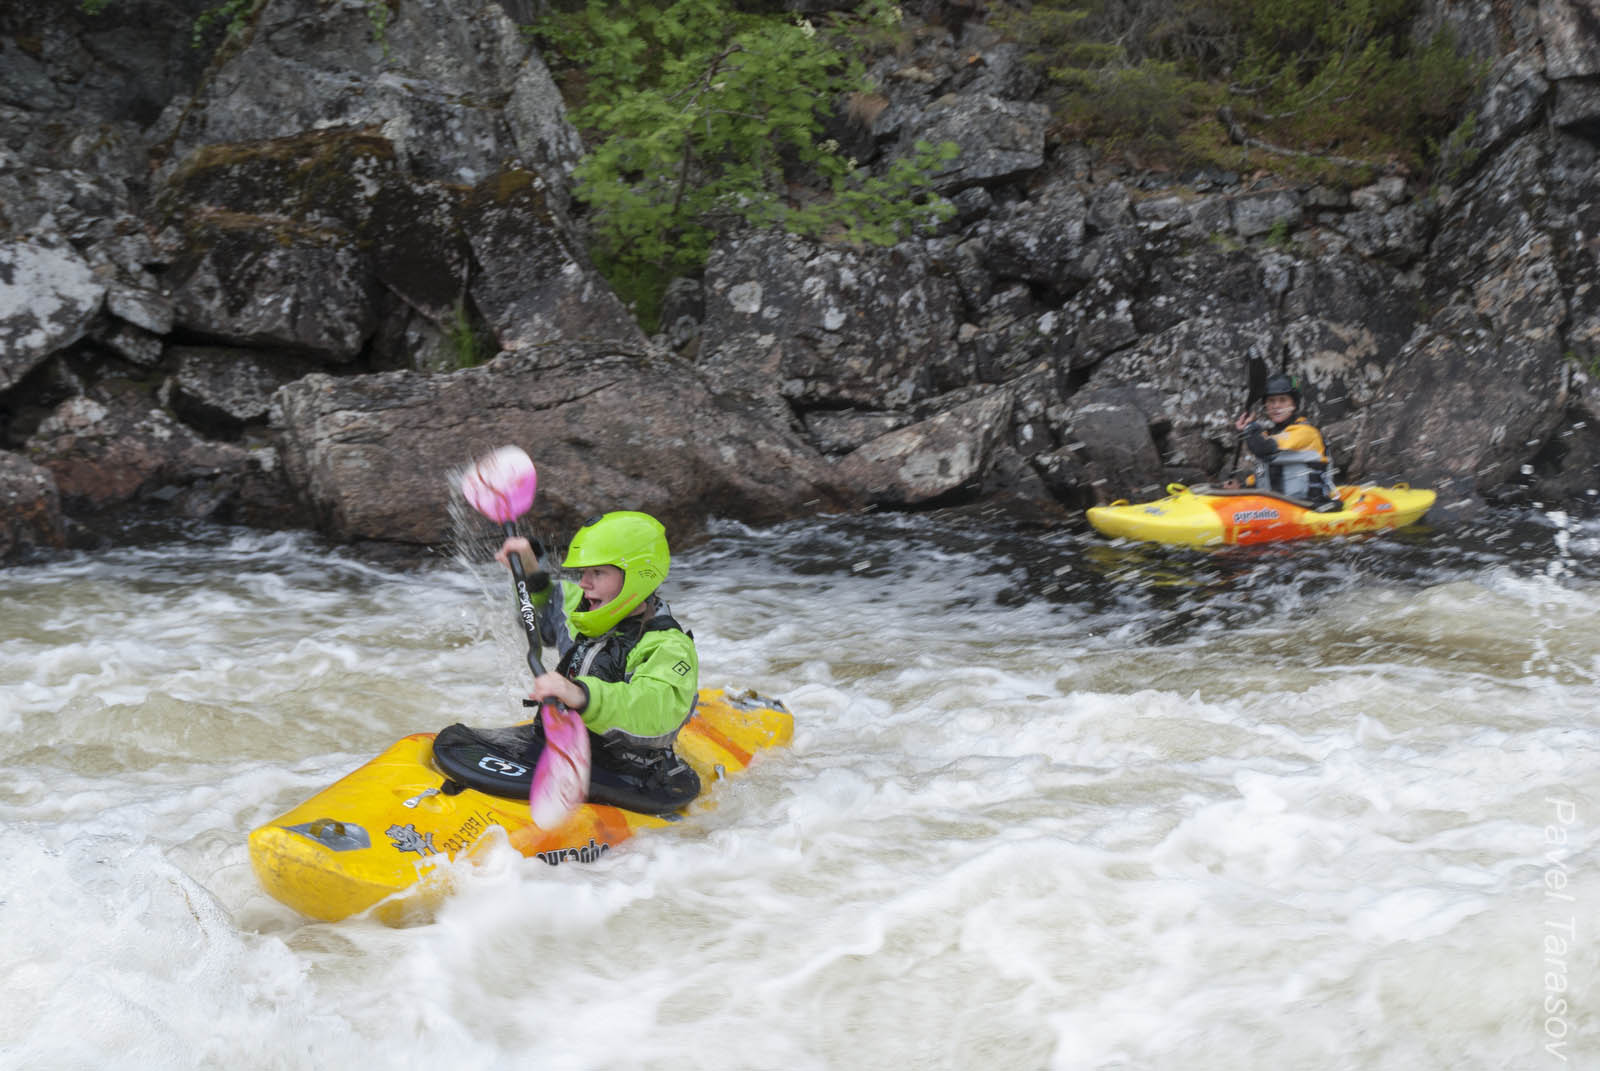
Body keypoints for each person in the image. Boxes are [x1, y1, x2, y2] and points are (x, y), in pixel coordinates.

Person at [495, 510, 702, 808]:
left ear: (638, 576)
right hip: (566, 751)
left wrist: (582, 695)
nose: (583, 583)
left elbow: (656, 709)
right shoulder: (585, 611)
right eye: (583, 573)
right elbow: (545, 610)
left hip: (628, 774)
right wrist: (530, 571)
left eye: (598, 573)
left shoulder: (668, 646)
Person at [1232, 372, 1339, 506]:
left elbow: (1263, 448)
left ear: (1294, 405)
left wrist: (1249, 427)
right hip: (1276, 509)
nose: (1276, 406)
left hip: (1308, 507)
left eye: (1283, 400)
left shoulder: (1306, 432)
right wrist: (1240, 488)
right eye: (1271, 401)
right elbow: (1262, 476)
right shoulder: (1270, 435)